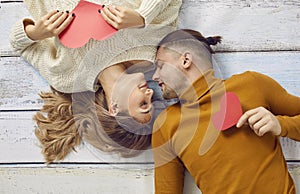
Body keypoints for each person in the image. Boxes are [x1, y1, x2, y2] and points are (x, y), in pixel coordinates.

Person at [10, 0, 182, 163]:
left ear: (114, 108)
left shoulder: (67, 78)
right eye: (154, 102)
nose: (151, 93)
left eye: (144, 104)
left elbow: (19, 43)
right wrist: (143, 16)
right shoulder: (152, 51)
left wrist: (35, 33)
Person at [151, 29, 300, 193]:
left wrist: (281, 125)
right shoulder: (165, 124)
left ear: (185, 60)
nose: (155, 76)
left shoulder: (252, 84)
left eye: (160, 66)